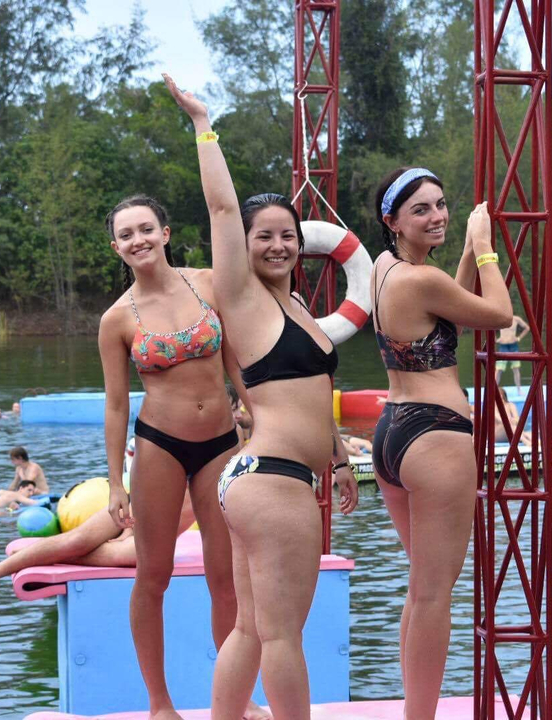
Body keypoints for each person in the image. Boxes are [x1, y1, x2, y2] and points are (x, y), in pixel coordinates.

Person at [164, 74, 359, 719]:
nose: (277, 245)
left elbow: (310, 392)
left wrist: (338, 456)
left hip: (268, 477)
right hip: (272, 480)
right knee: (280, 635)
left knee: (252, 630)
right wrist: (203, 125)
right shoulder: (244, 298)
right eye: (263, 236)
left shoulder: (297, 304)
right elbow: (223, 209)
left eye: (287, 235)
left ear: (301, 243)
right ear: (244, 246)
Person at [99, 123, 260, 717]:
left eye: (145, 228)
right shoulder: (117, 319)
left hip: (221, 441)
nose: (137, 239)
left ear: (165, 234)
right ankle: (159, 702)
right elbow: (117, 404)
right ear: (116, 248)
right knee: (154, 575)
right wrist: (114, 483)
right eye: (125, 235)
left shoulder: (207, 284)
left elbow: (237, 361)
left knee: (226, 576)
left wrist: (261, 419)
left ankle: (236, 701)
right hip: (159, 446)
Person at [369, 166, 512, 717]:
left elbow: (447, 304)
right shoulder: (419, 281)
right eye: (421, 210)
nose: (438, 216)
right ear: (393, 221)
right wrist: (485, 249)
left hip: (393, 432)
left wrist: (465, 255)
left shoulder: (387, 268)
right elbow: (498, 315)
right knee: (433, 595)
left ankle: (415, 710)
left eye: (441, 204)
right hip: (435, 438)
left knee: (420, 589)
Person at [0, 498, 198, 610]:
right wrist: (127, 529)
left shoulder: (215, 461)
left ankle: (35, 554)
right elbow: (147, 485)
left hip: (151, 536)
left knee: (135, 555)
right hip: (131, 510)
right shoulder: (181, 440)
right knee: (77, 541)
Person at [495, 314, 531, 390]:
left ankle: (519, 389)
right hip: (503, 346)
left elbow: (527, 328)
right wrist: (495, 339)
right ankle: (493, 389)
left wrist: (519, 338)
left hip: (513, 346)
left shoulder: (516, 319)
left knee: (516, 368)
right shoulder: (500, 317)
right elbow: (490, 327)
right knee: (499, 369)